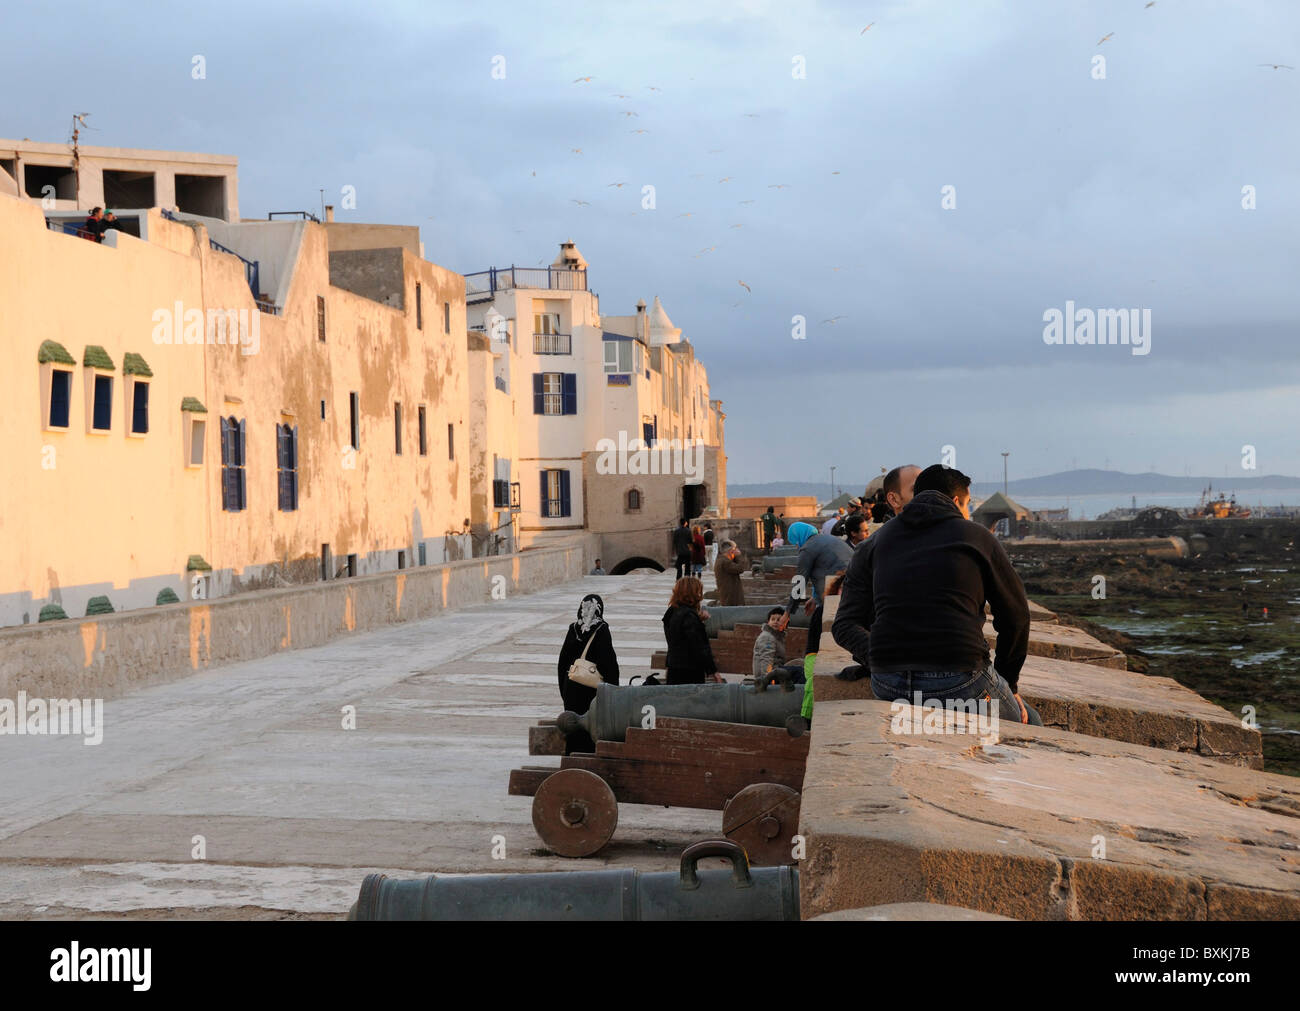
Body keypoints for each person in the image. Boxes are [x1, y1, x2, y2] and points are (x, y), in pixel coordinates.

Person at [831, 464, 1039, 728]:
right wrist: (1009, 682)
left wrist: (884, 656)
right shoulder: (976, 537)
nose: (967, 514)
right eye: (967, 506)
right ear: (955, 501)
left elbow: (844, 625)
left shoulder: (875, 542)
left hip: (887, 683)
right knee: (1029, 721)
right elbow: (1016, 616)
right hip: (959, 680)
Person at [557, 593, 621, 754]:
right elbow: (609, 665)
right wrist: (613, 691)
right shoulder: (601, 629)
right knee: (590, 729)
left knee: (573, 727)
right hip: (592, 692)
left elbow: (562, 664)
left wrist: (564, 691)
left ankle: (571, 762)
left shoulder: (573, 629)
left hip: (571, 689)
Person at [776, 520, 853, 631]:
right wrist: (815, 598)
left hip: (839, 591)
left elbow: (800, 582)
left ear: (799, 537)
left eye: (796, 542)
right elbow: (826, 568)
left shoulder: (807, 549)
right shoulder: (829, 539)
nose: (797, 546)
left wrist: (787, 614)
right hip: (854, 582)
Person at [663, 577, 720, 684]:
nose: (700, 596)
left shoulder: (671, 611)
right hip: (689, 671)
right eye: (698, 592)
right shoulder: (689, 616)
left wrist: (698, 620)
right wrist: (713, 671)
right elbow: (699, 647)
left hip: (673, 667)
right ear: (692, 593)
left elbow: (678, 637)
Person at [713, 540, 748, 606]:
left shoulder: (721, 560)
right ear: (731, 551)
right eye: (734, 549)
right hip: (731, 595)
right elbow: (740, 568)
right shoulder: (725, 562)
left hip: (728, 593)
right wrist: (738, 556)